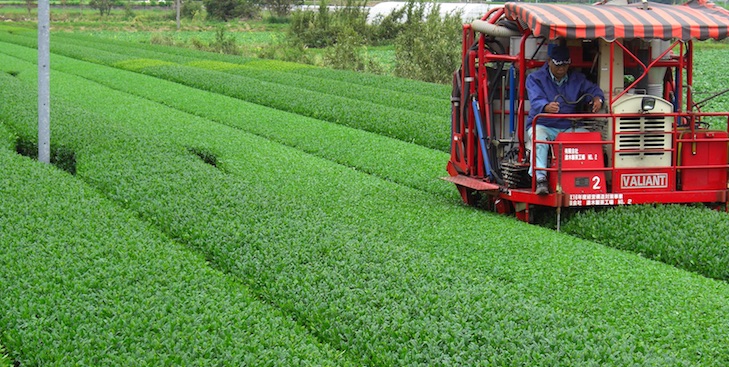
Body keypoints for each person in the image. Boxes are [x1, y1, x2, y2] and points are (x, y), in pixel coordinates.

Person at [525, 43, 605, 195]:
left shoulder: (577, 78)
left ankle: (588, 178)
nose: (561, 68)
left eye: (565, 64)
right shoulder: (535, 78)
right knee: (539, 139)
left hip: (569, 125)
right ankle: (541, 179)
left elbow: (594, 89)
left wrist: (598, 99)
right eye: (558, 64)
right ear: (549, 61)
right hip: (544, 124)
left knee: (590, 138)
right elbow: (535, 100)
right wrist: (546, 106)